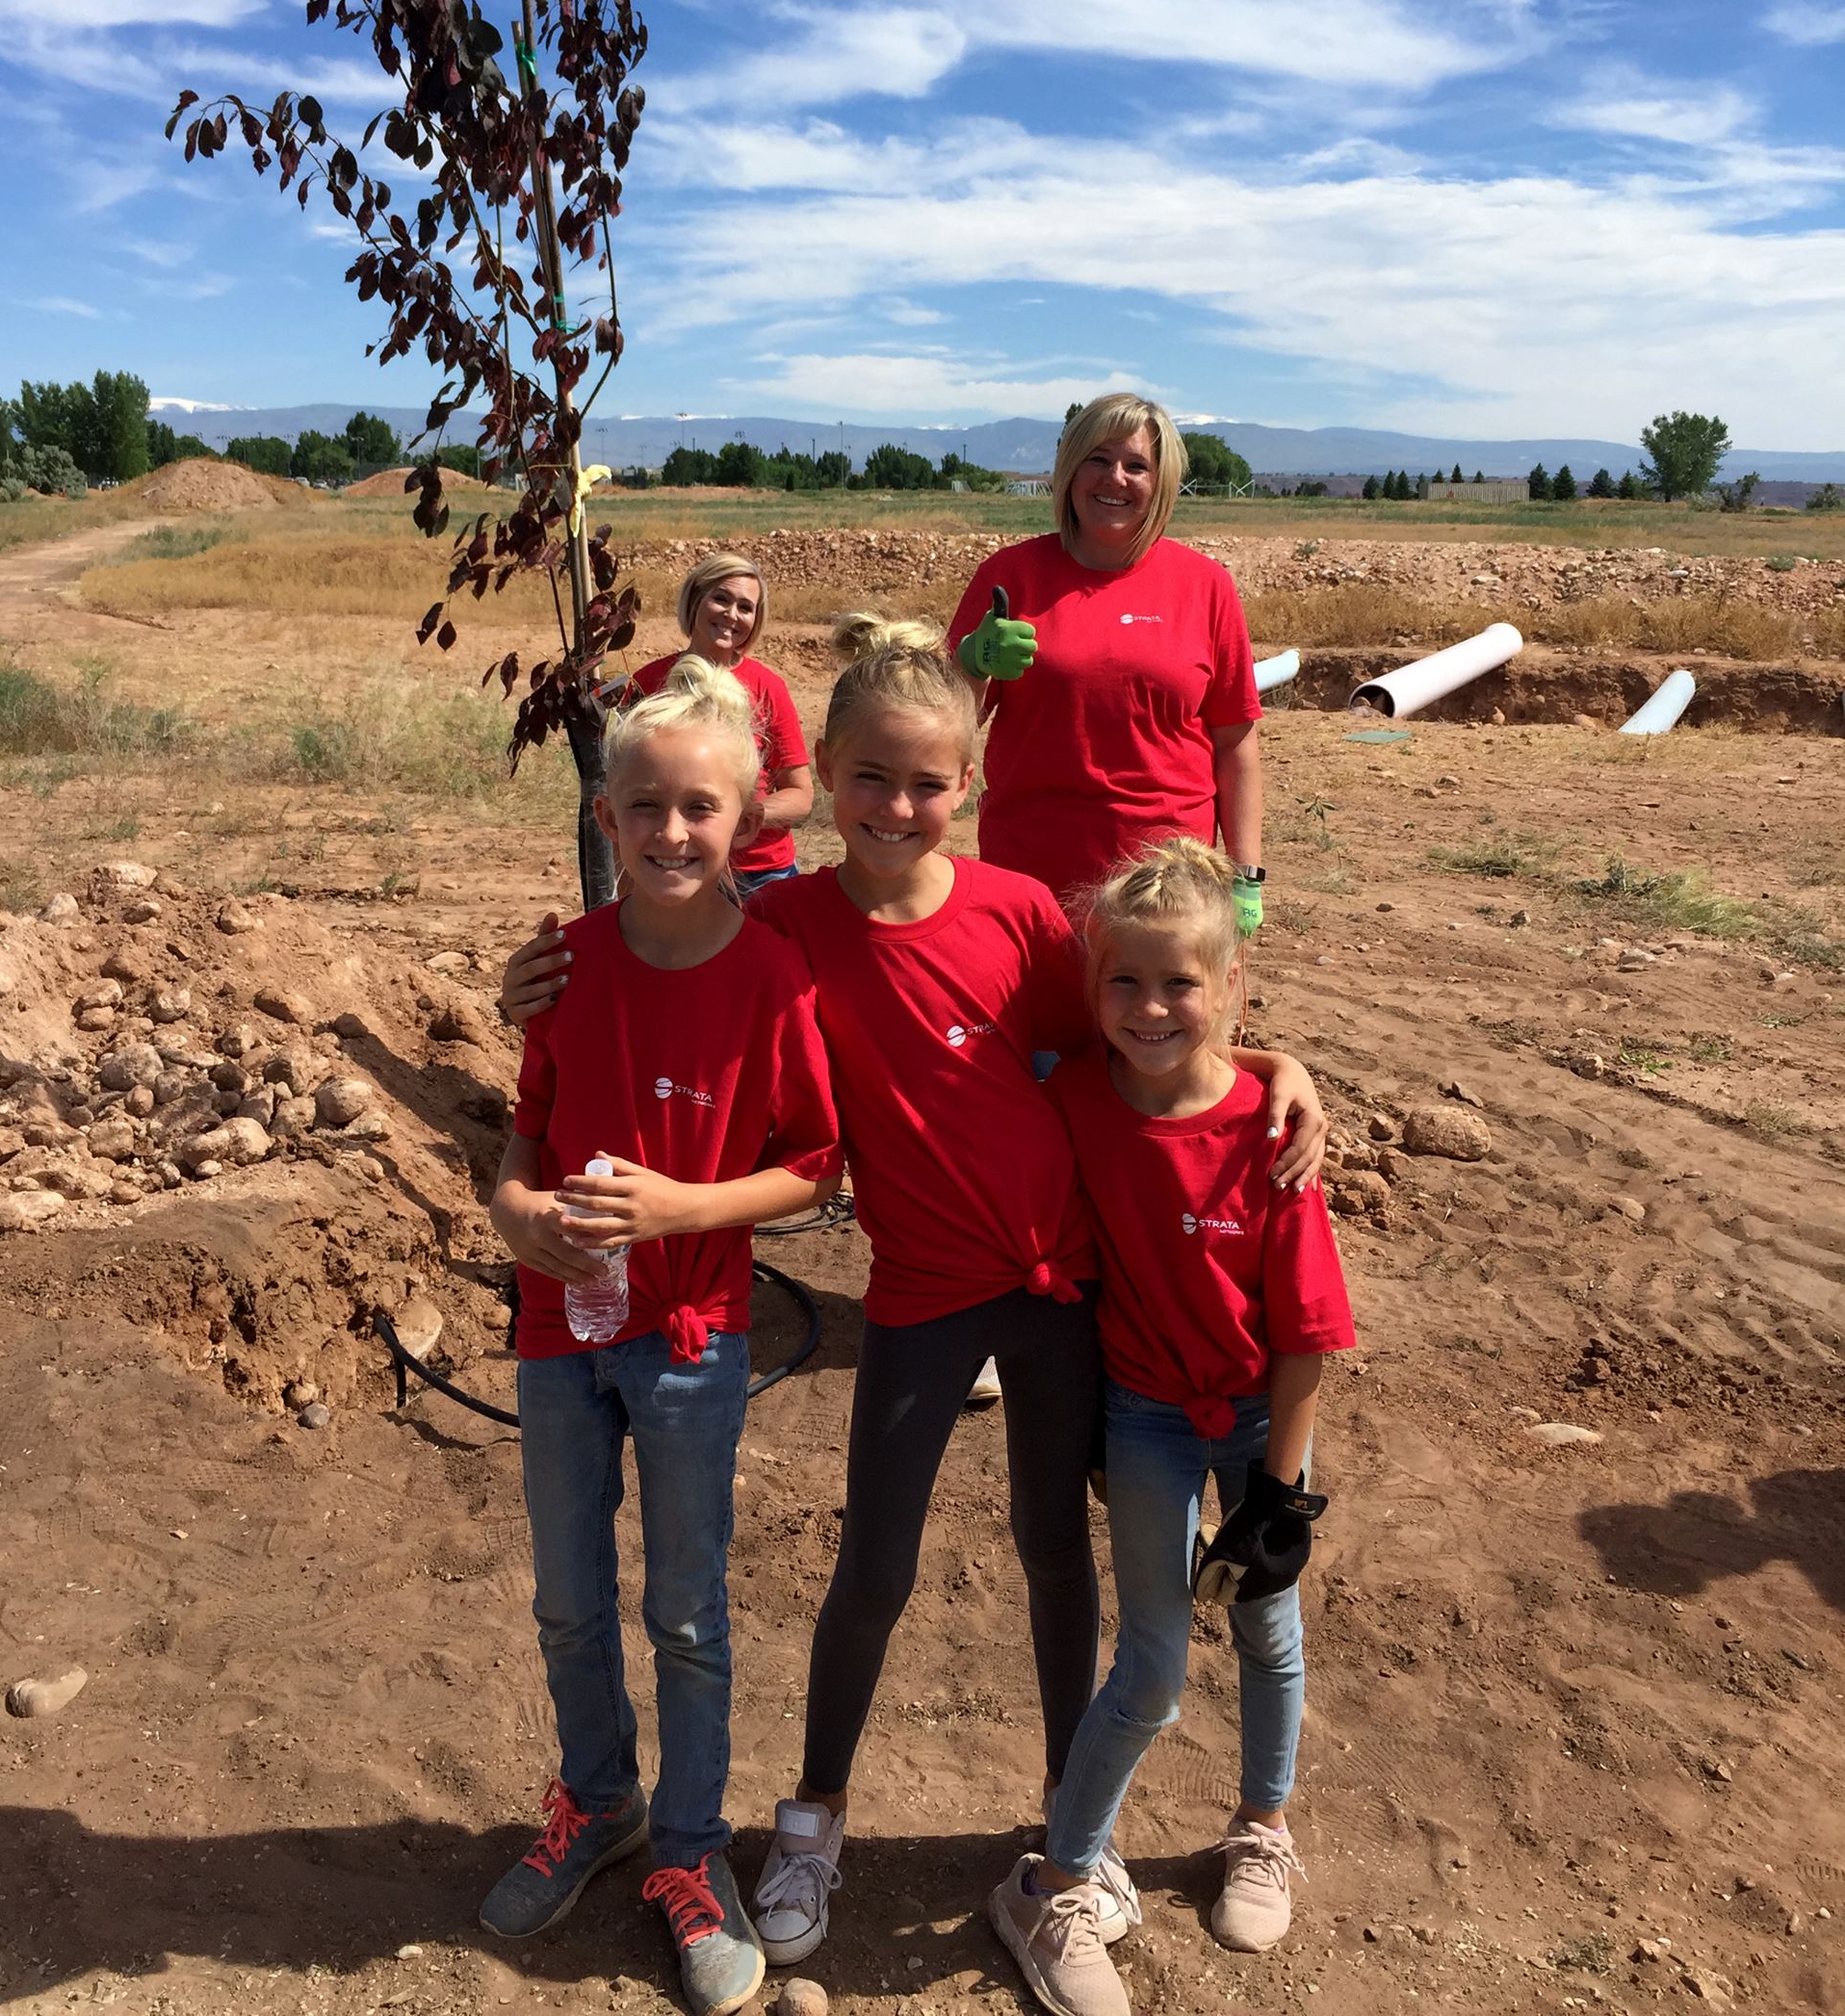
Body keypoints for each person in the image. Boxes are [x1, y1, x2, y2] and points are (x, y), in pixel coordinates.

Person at [499, 620, 1329, 1973]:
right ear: (821, 775)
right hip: (917, 1297)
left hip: (1056, 1295)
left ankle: (1077, 1832)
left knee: (1053, 1555)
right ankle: (815, 1814)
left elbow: (1145, 1026)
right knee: (870, 1564)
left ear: (972, 785)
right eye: (869, 779)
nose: (895, 807)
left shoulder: (1013, 915)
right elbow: (667, 942)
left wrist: (1277, 1061)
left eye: (926, 783)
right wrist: (527, 980)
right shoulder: (783, 925)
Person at [479, 656, 840, 2016]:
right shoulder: (564, 968)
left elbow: (814, 1164)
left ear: (748, 817)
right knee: (567, 1595)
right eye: (644, 806)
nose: (672, 832)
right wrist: (515, 1208)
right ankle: (598, 1803)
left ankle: (692, 1854)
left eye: (700, 807)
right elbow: (527, 1127)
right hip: (559, 1330)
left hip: (690, 1340)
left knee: (685, 1610)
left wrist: (689, 1205)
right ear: (605, 816)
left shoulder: (771, 979)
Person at [988, 840, 1356, 2016]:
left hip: (1259, 1421)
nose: (1151, 1008)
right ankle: (1054, 1879)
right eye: (1124, 984)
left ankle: (1260, 1826)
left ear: (1231, 985)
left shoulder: (1273, 1132)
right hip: (1146, 1416)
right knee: (1148, 1663)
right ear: (1094, 993)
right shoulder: (1077, 1096)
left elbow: (1305, 1330)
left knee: (1268, 1630)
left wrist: (1279, 1497)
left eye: (1180, 984)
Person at [948, 394, 1266, 934]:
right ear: (1069, 471)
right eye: (1097, 459)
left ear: (1160, 482)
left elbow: (1236, 743)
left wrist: (1246, 876)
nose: (1114, 478)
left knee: (1157, 1017)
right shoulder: (1011, 576)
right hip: (1032, 870)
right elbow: (946, 726)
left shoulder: (1205, 586)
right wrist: (971, 665)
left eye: (1136, 465)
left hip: (1166, 879)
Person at [631, 552, 812, 892]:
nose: (732, 615)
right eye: (721, 599)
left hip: (760, 873)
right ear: (696, 599)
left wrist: (736, 817)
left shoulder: (767, 686)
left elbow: (800, 794)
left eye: (745, 607)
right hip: (674, 863)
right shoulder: (648, 682)